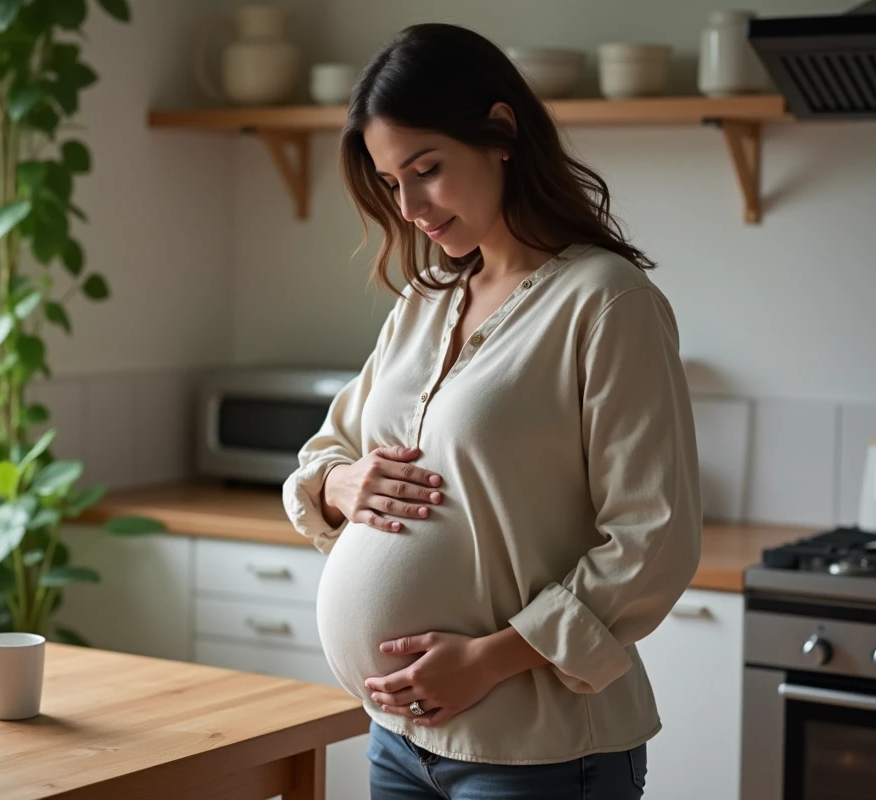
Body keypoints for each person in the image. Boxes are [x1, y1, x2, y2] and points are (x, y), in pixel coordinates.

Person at [280, 22, 702, 800]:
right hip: (399, 740)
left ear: (501, 134)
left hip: (537, 754)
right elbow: (325, 454)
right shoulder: (423, 301)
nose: (407, 205)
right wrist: (343, 485)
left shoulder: (607, 302)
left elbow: (654, 539)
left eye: (427, 169)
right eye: (388, 181)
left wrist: (488, 659)